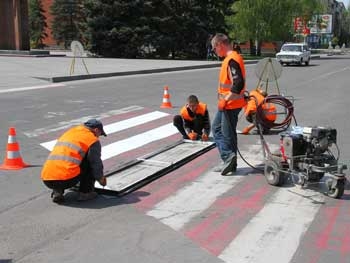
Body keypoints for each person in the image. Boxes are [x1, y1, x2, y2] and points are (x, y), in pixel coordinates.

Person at [41, 119, 108, 203]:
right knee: (90, 162)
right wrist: (100, 178)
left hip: (47, 179)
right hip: (67, 180)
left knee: (63, 163)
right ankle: (85, 193)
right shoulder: (92, 139)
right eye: (99, 134)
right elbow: (95, 162)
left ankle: (57, 192)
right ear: (96, 130)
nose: (98, 136)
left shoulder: (71, 132)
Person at [211, 33, 247, 176]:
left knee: (224, 133)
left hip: (231, 104)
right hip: (229, 103)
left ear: (220, 44)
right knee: (221, 130)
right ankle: (230, 161)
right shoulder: (230, 59)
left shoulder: (232, 59)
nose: (215, 51)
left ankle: (228, 158)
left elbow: (238, 84)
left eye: (215, 48)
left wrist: (225, 99)